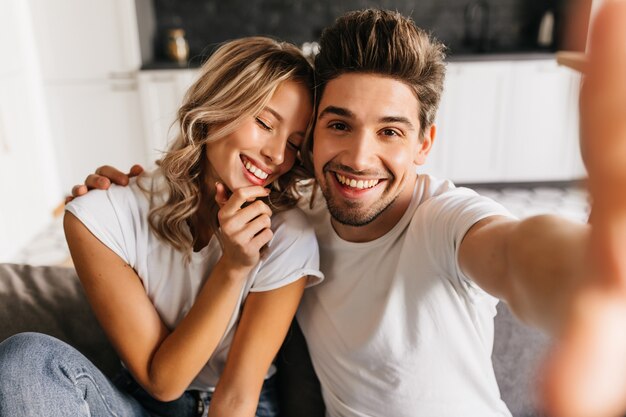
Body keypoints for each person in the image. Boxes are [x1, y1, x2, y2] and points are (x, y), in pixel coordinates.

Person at [66, 2, 626, 417]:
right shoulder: (294, 220)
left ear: (424, 144)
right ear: (312, 143)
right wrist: (126, 191)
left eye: (390, 131)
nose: (360, 157)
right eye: (338, 126)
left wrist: (594, 270)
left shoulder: (445, 220)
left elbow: (514, 253)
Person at [0, 36, 324, 417]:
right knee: (26, 359)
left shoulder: (289, 235)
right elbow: (163, 382)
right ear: (218, 105)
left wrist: (242, 263)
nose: (276, 155)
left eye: (294, 144)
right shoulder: (100, 217)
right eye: (265, 123)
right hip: (140, 404)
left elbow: (238, 396)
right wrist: (233, 268)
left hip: (239, 407)